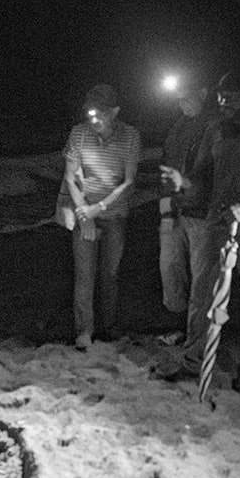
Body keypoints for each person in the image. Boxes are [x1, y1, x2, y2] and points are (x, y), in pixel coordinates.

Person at [159, 70, 240, 393]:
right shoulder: (216, 129)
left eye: (229, 98)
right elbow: (202, 174)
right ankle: (194, 358)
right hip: (217, 220)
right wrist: (184, 183)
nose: (223, 104)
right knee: (203, 289)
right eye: (219, 98)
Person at [59, 83, 140, 351]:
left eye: (101, 113)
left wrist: (100, 208)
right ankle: (84, 331)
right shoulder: (79, 134)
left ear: (115, 111)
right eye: (90, 112)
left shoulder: (130, 136)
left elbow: (128, 183)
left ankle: (109, 326)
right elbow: (71, 178)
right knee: (84, 275)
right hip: (85, 212)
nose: (94, 118)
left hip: (114, 214)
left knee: (110, 274)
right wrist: (86, 215)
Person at [156, 79, 218, 348]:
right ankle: (178, 326)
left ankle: (198, 338)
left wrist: (187, 183)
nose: (183, 104)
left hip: (203, 213)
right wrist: (166, 204)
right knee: (170, 268)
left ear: (203, 93)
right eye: (179, 99)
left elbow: (212, 172)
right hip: (177, 210)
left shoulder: (215, 126)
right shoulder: (178, 127)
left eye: (187, 98)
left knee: (202, 280)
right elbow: (167, 168)